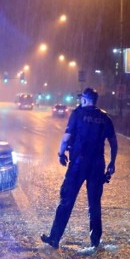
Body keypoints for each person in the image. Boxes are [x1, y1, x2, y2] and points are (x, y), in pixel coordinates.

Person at [41, 87, 118, 249]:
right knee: (94, 204)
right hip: (97, 165)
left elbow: (66, 138)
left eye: (81, 98)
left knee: (67, 200)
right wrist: (112, 163)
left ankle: (54, 238)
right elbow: (113, 142)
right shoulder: (105, 118)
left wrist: (61, 154)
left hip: (78, 164)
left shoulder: (77, 114)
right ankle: (95, 242)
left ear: (84, 100)